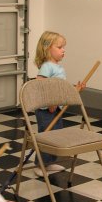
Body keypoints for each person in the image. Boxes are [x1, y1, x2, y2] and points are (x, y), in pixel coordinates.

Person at [33, 31, 86, 177]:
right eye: (59, 47)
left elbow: (60, 89)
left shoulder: (59, 68)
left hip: (56, 108)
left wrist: (75, 89)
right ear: (47, 48)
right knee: (46, 136)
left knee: (56, 135)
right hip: (46, 109)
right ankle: (40, 165)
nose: (63, 50)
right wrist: (51, 101)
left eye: (64, 47)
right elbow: (41, 86)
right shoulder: (47, 66)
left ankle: (50, 162)